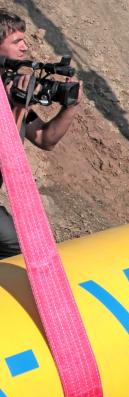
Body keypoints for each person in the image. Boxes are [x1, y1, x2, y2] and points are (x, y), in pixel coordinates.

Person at [0, 9, 84, 258]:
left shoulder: (10, 88)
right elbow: (6, 154)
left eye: (24, 40)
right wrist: (19, 108)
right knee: (19, 248)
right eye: (16, 41)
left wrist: (70, 106)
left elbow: (46, 139)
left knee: (23, 248)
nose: (25, 47)